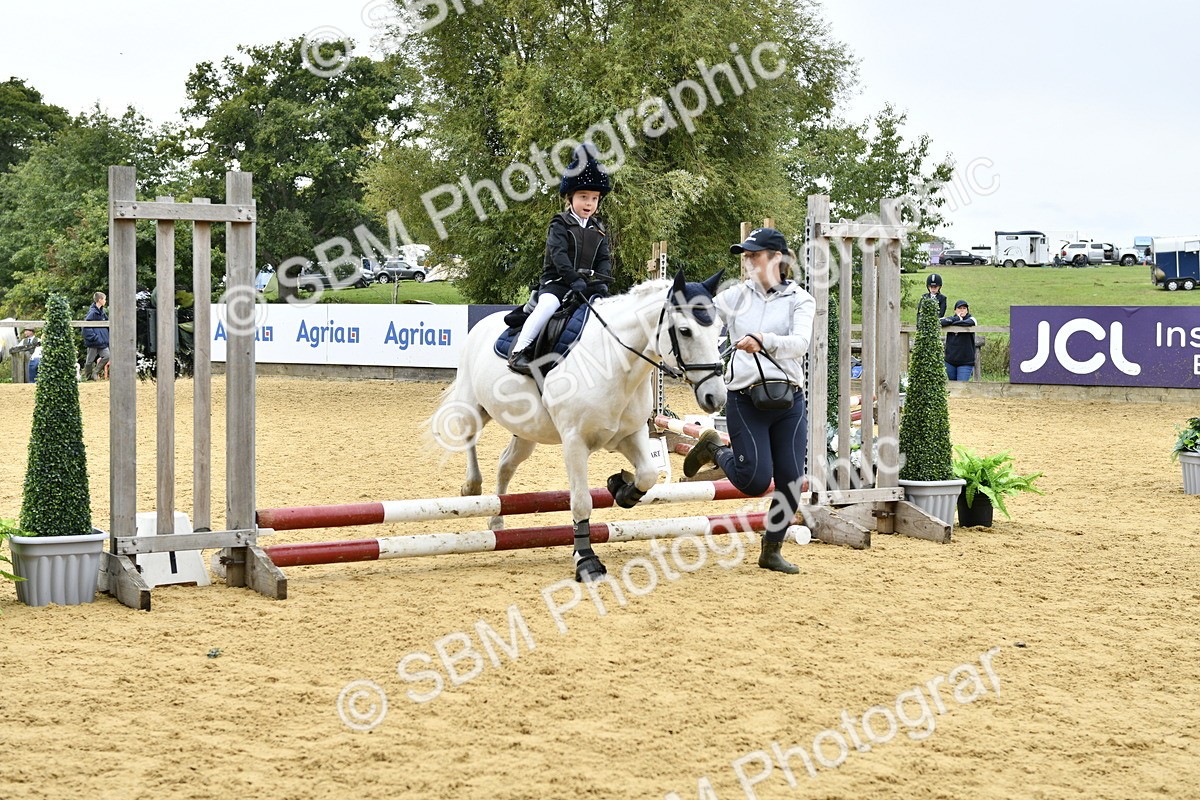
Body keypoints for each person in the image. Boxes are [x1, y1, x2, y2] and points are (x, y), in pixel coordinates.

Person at [683, 228, 815, 574]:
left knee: (790, 480)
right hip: (744, 397)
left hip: (789, 401)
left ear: (777, 258)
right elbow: (704, 322)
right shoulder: (734, 297)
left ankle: (771, 550)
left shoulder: (801, 299)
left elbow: (801, 343)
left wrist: (763, 340)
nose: (748, 262)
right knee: (754, 481)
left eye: (754, 255)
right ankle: (714, 449)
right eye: (745, 256)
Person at [508, 144, 613, 375]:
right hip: (557, 282)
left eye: (594, 198)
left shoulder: (599, 228)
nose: (589, 203)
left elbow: (603, 257)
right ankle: (520, 351)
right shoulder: (560, 223)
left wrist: (602, 278)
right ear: (570, 197)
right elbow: (559, 256)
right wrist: (573, 278)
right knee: (548, 307)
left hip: (586, 285)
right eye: (583, 197)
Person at [941, 299, 977, 381]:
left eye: (964, 308)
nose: (962, 310)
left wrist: (955, 321)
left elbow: (968, 323)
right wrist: (956, 318)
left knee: (962, 387)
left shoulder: (972, 319)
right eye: (959, 308)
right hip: (950, 361)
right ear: (955, 310)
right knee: (952, 386)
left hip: (966, 362)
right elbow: (940, 322)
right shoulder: (951, 318)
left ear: (967, 310)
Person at [83, 291, 110, 381]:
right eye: (104, 299)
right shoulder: (92, 313)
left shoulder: (103, 313)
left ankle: (95, 372)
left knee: (107, 356)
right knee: (89, 362)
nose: (105, 301)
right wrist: (94, 337)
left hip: (102, 342)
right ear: (100, 300)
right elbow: (85, 326)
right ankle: (88, 377)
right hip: (94, 342)